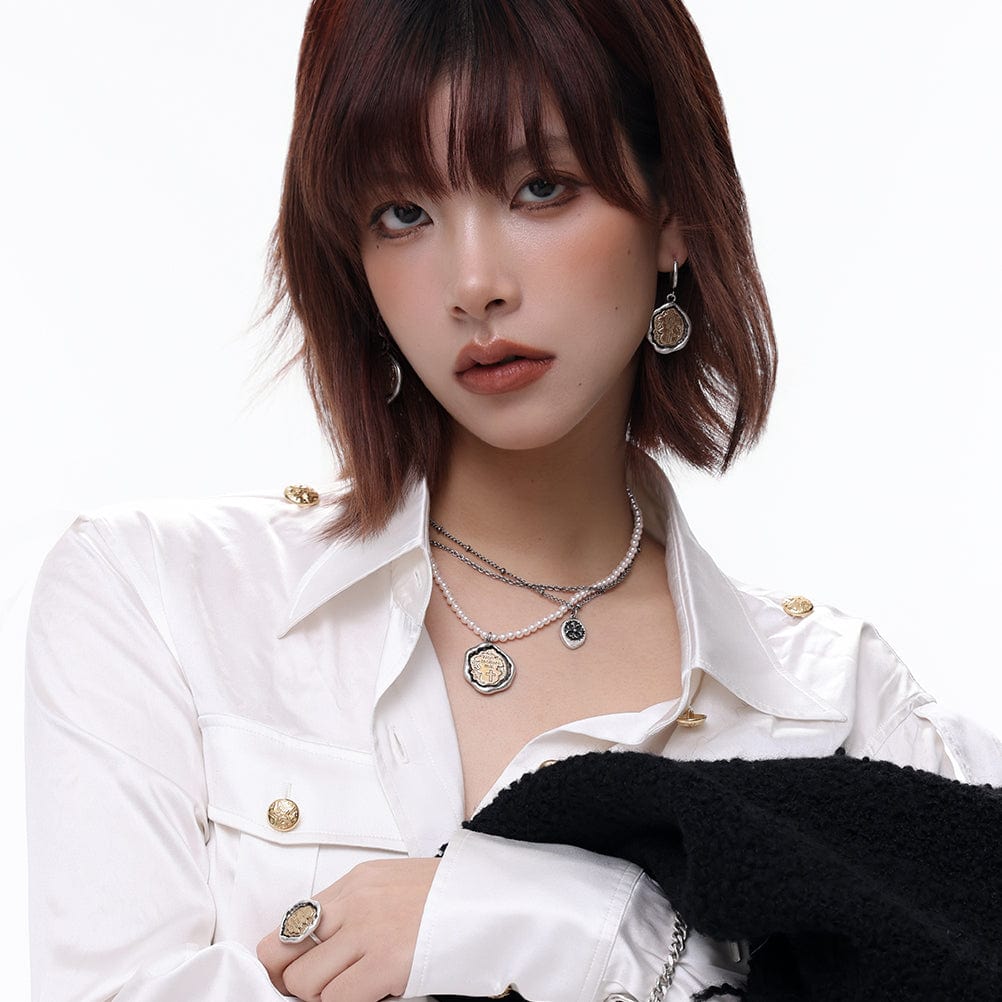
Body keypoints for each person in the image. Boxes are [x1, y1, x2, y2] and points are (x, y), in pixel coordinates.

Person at [24, 1, 1002, 1001]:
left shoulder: (844, 712)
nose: (474, 284)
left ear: (672, 210)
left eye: (541, 188)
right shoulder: (159, 603)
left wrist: (588, 931)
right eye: (402, 213)